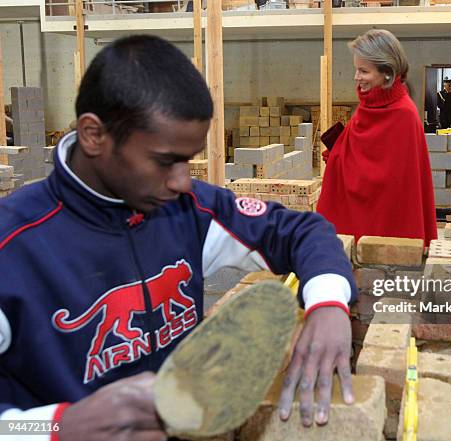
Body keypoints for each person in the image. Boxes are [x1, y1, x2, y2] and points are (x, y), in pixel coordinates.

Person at [0, 35, 358, 438]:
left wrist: (328, 303)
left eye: (187, 161)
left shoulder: (188, 212)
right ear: (93, 135)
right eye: (165, 161)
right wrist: (55, 427)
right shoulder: (13, 249)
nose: (183, 181)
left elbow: (302, 230)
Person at [317, 29, 437, 245]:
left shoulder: (404, 115)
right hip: (357, 219)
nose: (356, 78)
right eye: (356, 69)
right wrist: (340, 153)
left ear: (388, 73)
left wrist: (341, 159)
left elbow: (389, 184)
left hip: (385, 225)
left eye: (363, 71)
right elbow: (359, 153)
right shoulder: (368, 104)